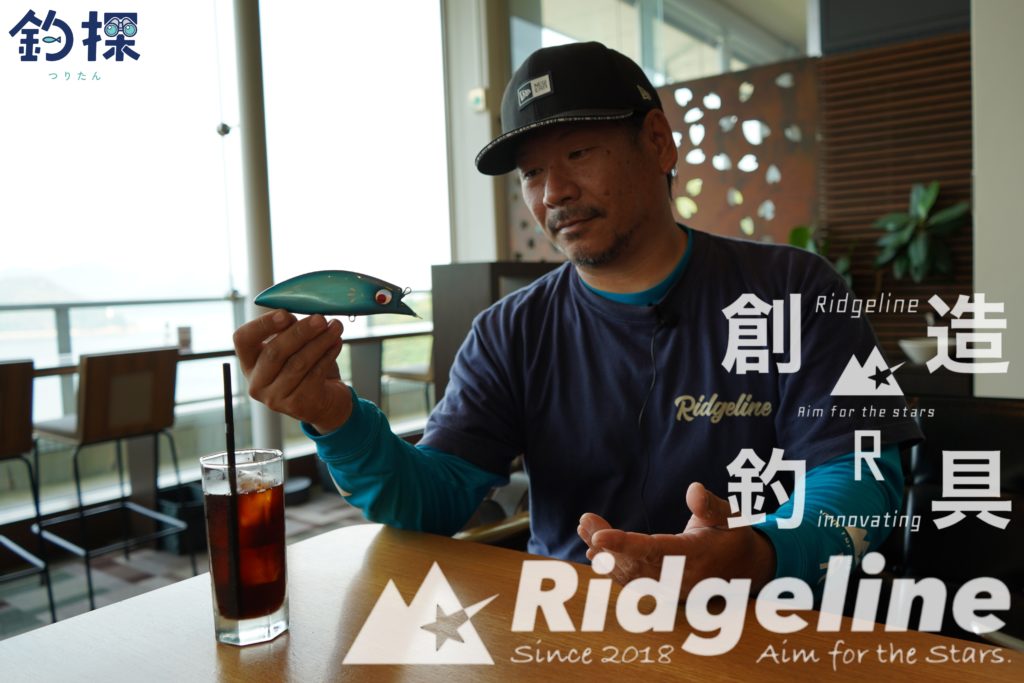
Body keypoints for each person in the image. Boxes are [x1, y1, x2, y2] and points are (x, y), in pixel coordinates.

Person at [233, 42, 922, 596]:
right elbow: (431, 502)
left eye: (578, 154)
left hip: (759, 620)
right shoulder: (509, 331)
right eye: (532, 173)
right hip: (569, 632)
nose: (554, 192)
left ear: (658, 143)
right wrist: (336, 419)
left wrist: (757, 550)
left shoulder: (793, 289)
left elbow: (861, 476)